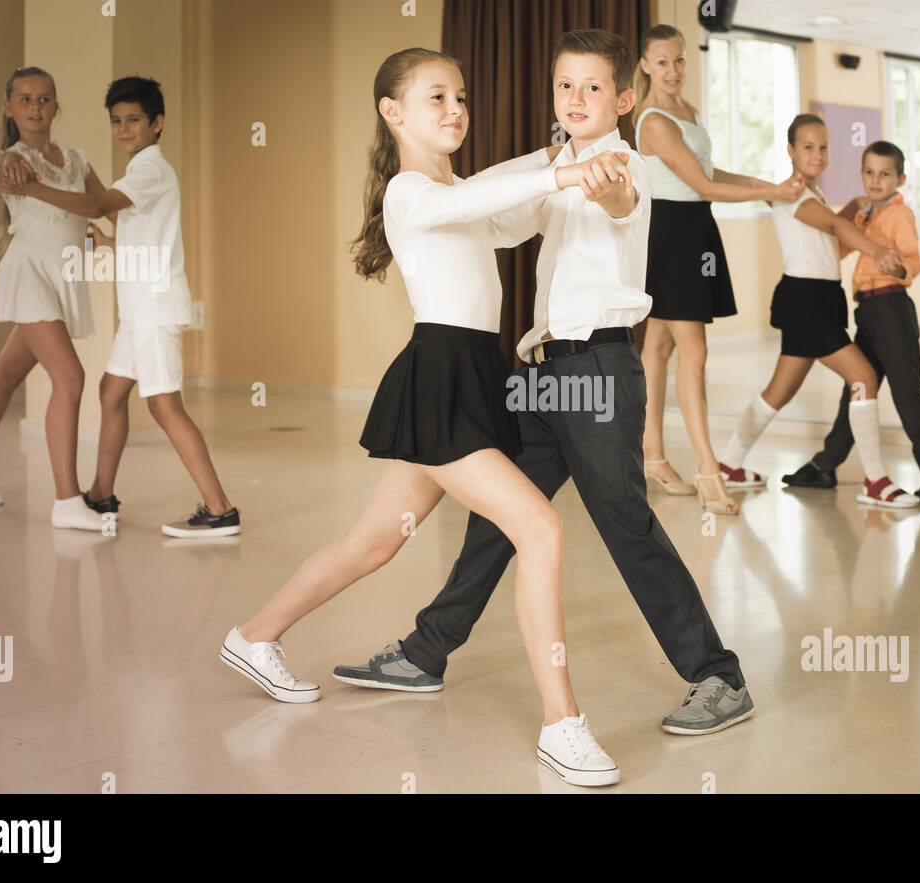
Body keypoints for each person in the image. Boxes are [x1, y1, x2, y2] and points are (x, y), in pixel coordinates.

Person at [219, 48, 627, 786]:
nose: (455, 109)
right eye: (436, 97)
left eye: (461, 97)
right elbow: (472, 204)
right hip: (439, 377)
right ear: (393, 112)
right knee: (540, 527)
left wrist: (566, 159)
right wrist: (561, 166)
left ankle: (255, 636)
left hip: (470, 373)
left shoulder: (456, 187)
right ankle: (562, 725)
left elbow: (500, 210)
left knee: (373, 542)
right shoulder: (410, 192)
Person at [334, 30, 756, 739]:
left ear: (623, 98)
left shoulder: (624, 164)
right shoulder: (560, 166)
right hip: (545, 374)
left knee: (625, 524)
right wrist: (512, 177)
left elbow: (620, 202)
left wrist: (590, 179)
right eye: (565, 86)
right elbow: (497, 223)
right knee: (496, 521)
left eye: (593, 88)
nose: (576, 99)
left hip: (597, 371)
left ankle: (719, 675)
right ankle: (425, 651)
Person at [0, 76, 240, 538]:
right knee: (112, 394)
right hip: (138, 312)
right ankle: (101, 495)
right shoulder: (141, 173)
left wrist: (32, 189)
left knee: (166, 407)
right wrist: (109, 242)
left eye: (133, 120)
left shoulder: (150, 170)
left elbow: (96, 202)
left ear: (157, 123)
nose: (124, 129)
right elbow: (142, 234)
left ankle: (220, 510)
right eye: (116, 121)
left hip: (153, 310)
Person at [633, 23, 802, 512]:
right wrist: (767, 192)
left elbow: (709, 173)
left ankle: (652, 456)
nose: (673, 70)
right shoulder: (655, 121)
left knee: (659, 345)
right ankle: (709, 469)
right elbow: (703, 188)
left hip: (694, 230)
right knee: (695, 351)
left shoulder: (689, 111)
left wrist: (765, 183)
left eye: (680, 59)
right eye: (662, 61)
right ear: (645, 65)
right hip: (671, 236)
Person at [719, 114, 919, 508]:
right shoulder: (791, 194)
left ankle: (728, 465)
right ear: (791, 150)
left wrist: (854, 208)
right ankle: (876, 481)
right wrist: (877, 250)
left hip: (817, 299)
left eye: (824, 147)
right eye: (808, 147)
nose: (818, 154)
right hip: (806, 301)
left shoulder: (809, 193)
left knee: (779, 392)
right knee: (862, 376)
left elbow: (830, 225)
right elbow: (833, 228)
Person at [0, 67, 104, 531]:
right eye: (25, 100)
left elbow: (100, 205)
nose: (35, 107)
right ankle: (66, 501)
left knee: (5, 376)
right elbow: (16, 178)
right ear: (9, 108)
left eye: (44, 99)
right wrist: (46, 192)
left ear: (56, 106)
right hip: (30, 274)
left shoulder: (76, 160)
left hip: (62, 276)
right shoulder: (10, 161)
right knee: (71, 376)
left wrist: (94, 232)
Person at [782, 141, 920, 503]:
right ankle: (825, 466)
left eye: (885, 174)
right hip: (868, 313)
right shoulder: (864, 215)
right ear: (862, 174)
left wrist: (899, 267)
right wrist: (847, 219)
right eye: (869, 172)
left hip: (892, 309)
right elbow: (840, 247)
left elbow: (912, 260)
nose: (876, 180)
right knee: (859, 389)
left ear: (900, 178)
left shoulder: (899, 215)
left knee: (908, 395)